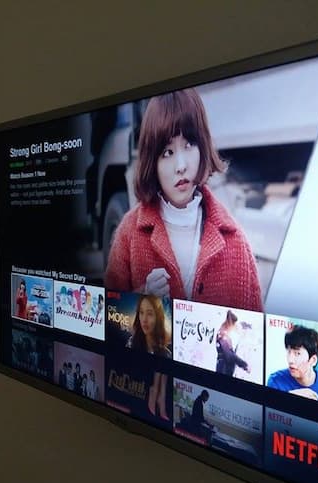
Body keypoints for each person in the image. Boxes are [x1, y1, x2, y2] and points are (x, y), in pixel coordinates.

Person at [104, 88, 263, 311]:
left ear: (203, 147)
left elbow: (253, 327)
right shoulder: (129, 233)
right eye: (167, 152)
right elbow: (108, 315)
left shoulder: (234, 239)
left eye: (189, 145)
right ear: (152, 162)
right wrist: (142, 301)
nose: (181, 166)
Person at [266, 325, 318, 406]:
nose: (290, 360)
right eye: (289, 352)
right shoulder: (276, 381)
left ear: (313, 360)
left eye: (297, 353)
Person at [125, 294, 171, 419]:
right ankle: (156, 394)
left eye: (150, 314)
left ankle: (160, 397)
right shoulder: (131, 343)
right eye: (141, 313)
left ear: (158, 317)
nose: (144, 319)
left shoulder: (166, 353)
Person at [215, 310, 251, 376]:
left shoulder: (226, 334)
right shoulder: (222, 335)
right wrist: (244, 365)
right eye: (234, 324)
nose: (235, 326)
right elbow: (229, 355)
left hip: (226, 367)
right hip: (224, 368)